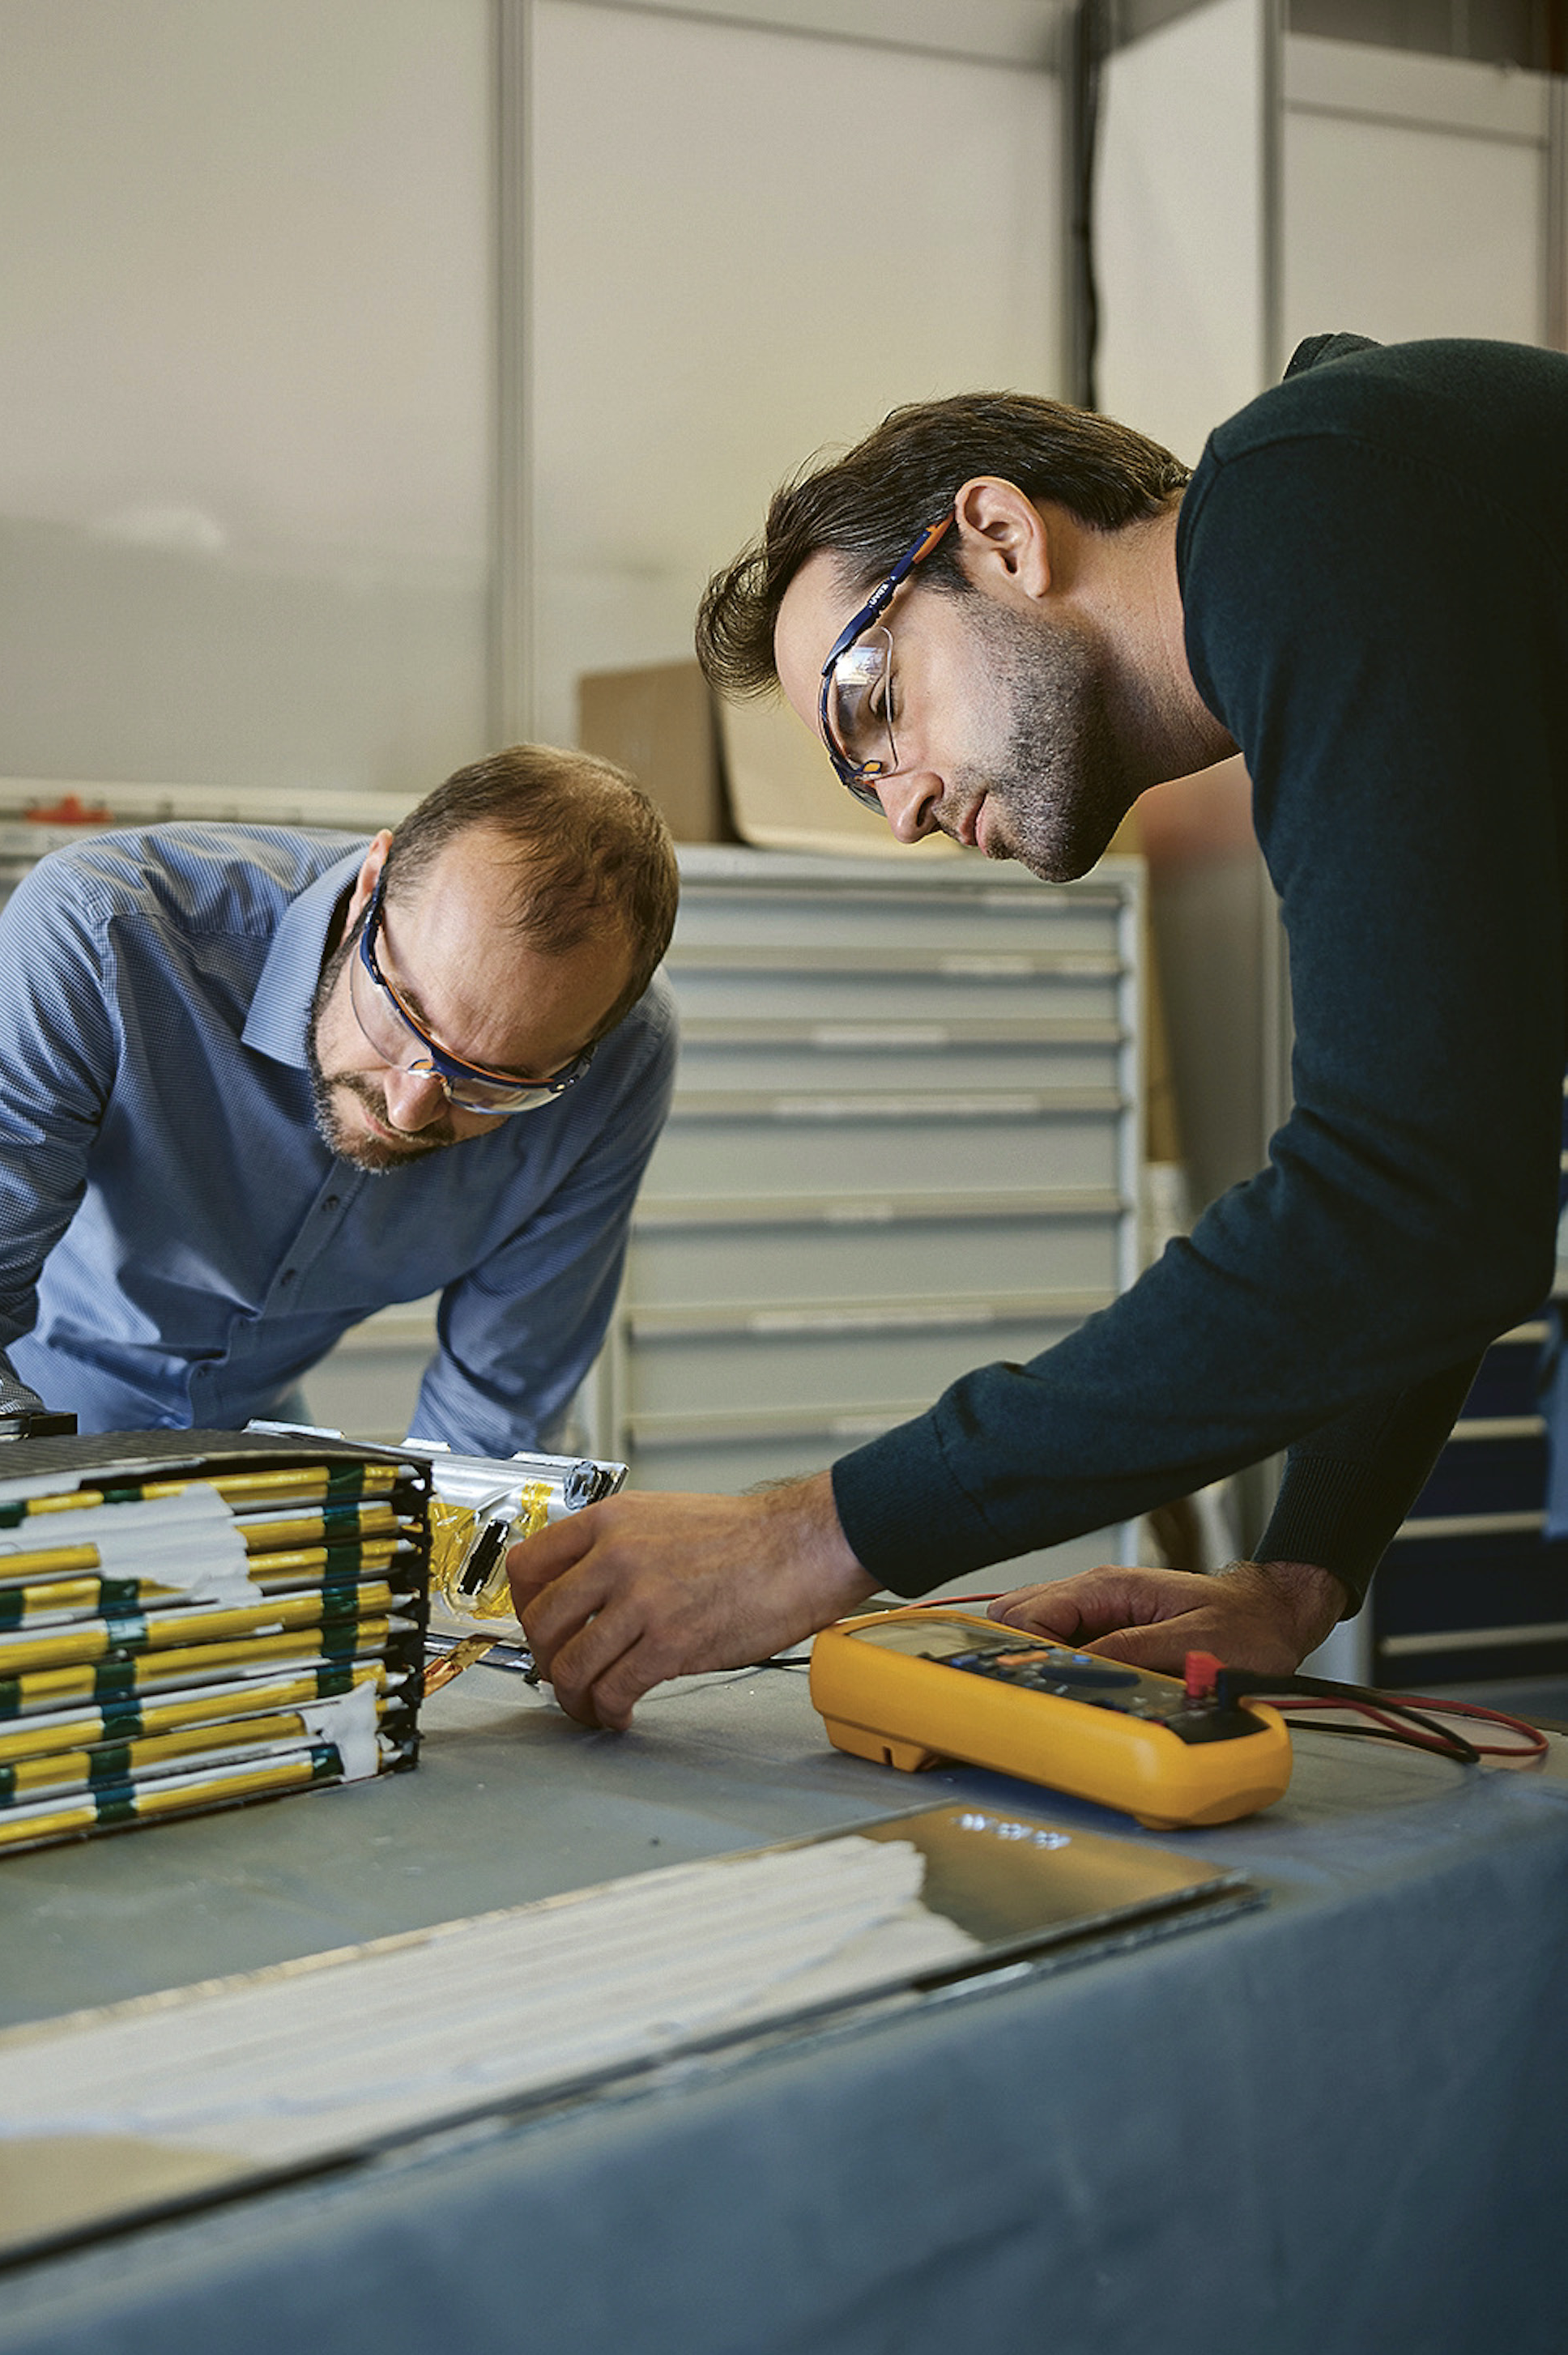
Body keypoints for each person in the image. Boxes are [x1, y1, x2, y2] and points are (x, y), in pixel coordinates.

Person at [512, 334, 1568, 1725]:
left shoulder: (1302, 492)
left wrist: (814, 1534)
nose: (898, 812)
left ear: (1001, 538)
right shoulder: (1367, 534)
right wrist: (1301, 1572)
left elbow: (1403, 1193)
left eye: (868, 703)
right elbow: (1454, 1159)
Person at [0, 747, 679, 1446]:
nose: (411, 1109)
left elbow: (495, 1413)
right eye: (404, 1014)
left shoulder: (620, 1062)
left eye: (498, 1082)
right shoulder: (103, 933)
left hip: (232, 1413)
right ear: (372, 888)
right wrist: (55, 1536)